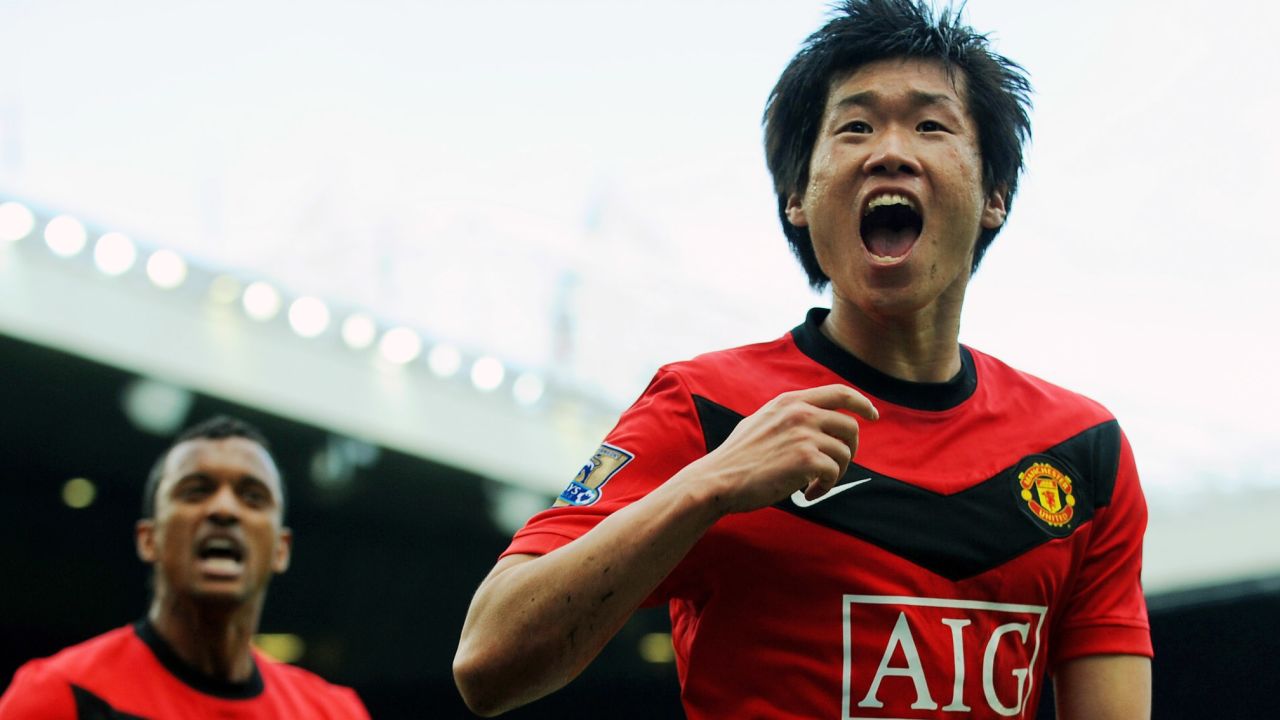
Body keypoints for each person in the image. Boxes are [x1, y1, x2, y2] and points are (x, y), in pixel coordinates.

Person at [454, 0, 1152, 717]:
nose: (889, 151)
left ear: (995, 196)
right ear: (796, 197)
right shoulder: (706, 405)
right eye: (854, 126)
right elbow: (487, 661)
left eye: (931, 125)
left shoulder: (1082, 452)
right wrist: (708, 485)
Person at [0, 416, 370, 719]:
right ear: (149, 539)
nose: (224, 509)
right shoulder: (59, 695)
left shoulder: (335, 713)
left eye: (253, 496)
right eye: (195, 490)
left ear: (281, 549)